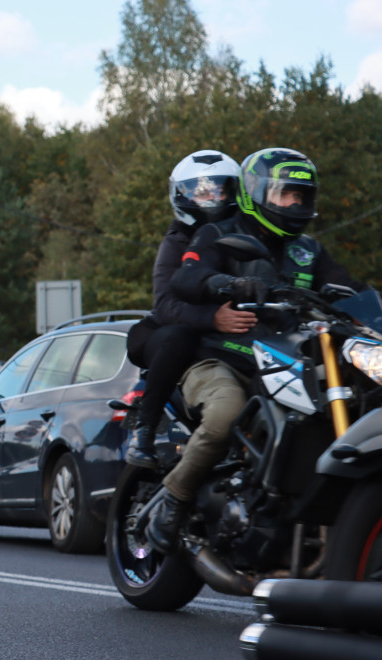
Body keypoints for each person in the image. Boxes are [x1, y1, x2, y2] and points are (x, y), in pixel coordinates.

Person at [146, 147, 366, 554]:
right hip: (222, 357)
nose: (295, 204)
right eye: (286, 194)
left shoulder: (309, 250)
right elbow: (187, 277)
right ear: (256, 193)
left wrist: (368, 310)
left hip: (286, 359)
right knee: (226, 411)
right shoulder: (220, 234)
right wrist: (227, 286)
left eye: (301, 196)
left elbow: (349, 290)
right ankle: (174, 500)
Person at [125, 149, 258, 468]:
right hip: (167, 334)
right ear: (181, 194)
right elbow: (166, 305)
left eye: (218, 189)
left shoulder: (245, 235)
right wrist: (213, 318)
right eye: (200, 191)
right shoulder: (176, 240)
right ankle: (144, 427)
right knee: (179, 337)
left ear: (234, 192)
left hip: (225, 342)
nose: (210, 198)